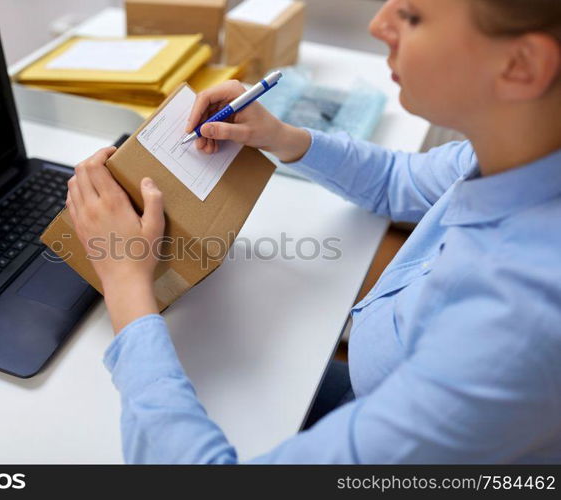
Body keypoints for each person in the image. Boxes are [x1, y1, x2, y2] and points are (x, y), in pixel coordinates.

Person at [64, 0, 561, 463]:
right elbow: (400, 180)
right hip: (377, 389)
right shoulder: (521, 152)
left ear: (522, 65)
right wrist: (281, 137)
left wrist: (126, 281)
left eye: (411, 15)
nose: (379, 24)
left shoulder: (516, 327)